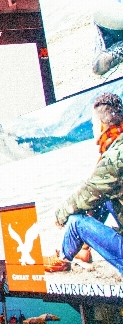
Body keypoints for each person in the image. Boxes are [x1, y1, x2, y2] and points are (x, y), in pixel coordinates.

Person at [51, 93, 123, 273]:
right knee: (103, 198)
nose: (93, 129)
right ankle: (83, 251)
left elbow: (84, 195)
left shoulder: (114, 159)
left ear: (101, 125)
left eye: (92, 125)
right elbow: (95, 190)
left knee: (75, 221)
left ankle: (63, 259)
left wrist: (59, 216)